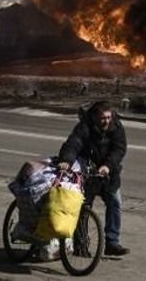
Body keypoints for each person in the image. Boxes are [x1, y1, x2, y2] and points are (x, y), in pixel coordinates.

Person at [57, 100, 129, 256]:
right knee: (84, 208)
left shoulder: (116, 127)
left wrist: (108, 166)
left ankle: (112, 242)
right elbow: (73, 143)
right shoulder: (85, 126)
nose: (107, 121)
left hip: (108, 174)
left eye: (109, 117)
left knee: (115, 203)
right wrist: (67, 160)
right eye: (103, 118)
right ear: (96, 117)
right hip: (87, 173)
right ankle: (80, 246)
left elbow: (119, 149)